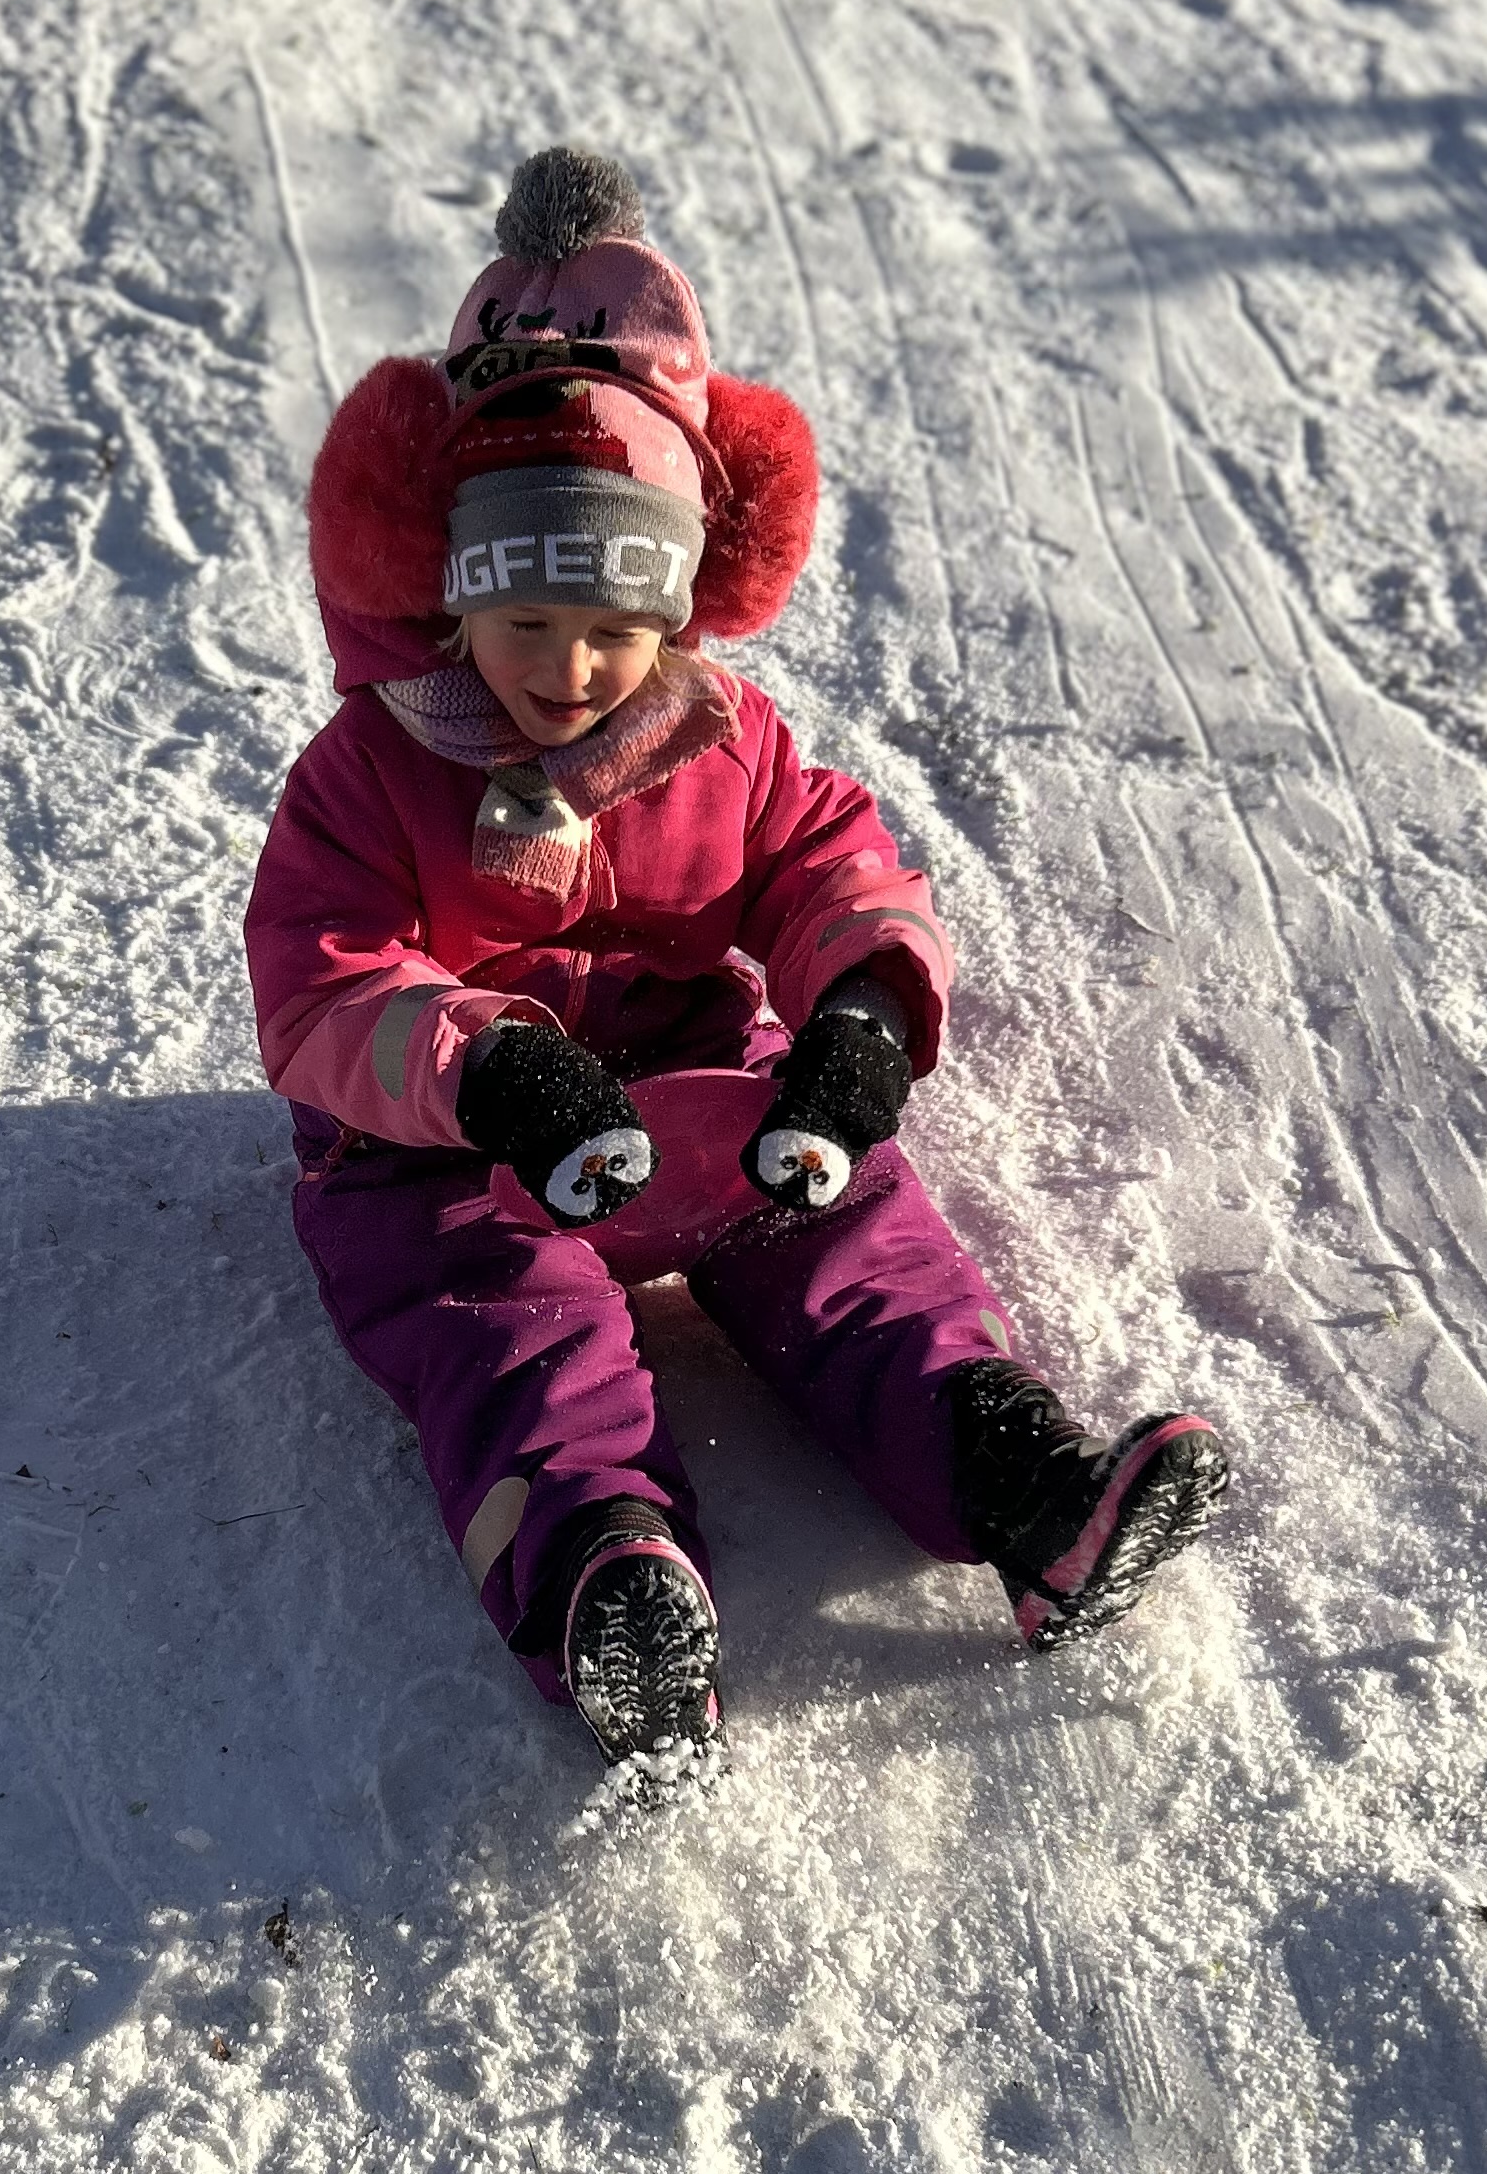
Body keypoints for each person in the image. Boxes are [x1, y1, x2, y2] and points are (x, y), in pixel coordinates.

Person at [243, 145, 1226, 1767]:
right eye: (527, 620)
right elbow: (321, 981)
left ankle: (1016, 1480)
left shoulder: (720, 738)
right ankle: (606, 1577)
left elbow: (833, 864)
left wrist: (861, 1011)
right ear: (449, 592)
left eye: (615, 626)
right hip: (449, 1154)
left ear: (684, 608)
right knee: (512, 1331)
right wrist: (489, 1067)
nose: (573, 667)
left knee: (854, 1233)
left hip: (692, 1097)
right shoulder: (370, 772)